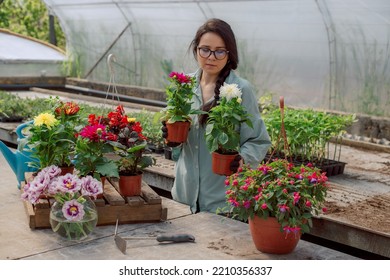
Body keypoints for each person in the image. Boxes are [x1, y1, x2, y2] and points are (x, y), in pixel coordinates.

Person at [163, 18, 271, 214]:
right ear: (196, 49)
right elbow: (180, 146)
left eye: (219, 51)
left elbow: (258, 141)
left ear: (229, 54)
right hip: (183, 198)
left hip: (222, 203)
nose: (211, 57)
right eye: (205, 49)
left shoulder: (240, 90)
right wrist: (171, 140)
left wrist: (242, 159)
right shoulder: (183, 87)